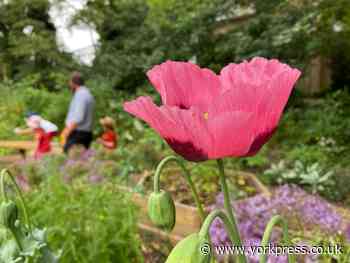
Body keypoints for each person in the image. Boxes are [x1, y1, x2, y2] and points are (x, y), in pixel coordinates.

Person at [61, 72, 95, 153]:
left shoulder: (81, 95)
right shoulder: (88, 94)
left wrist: (67, 131)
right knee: (82, 161)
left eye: (70, 82)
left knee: (70, 160)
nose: (69, 84)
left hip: (78, 134)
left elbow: (78, 117)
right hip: (85, 133)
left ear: (73, 83)